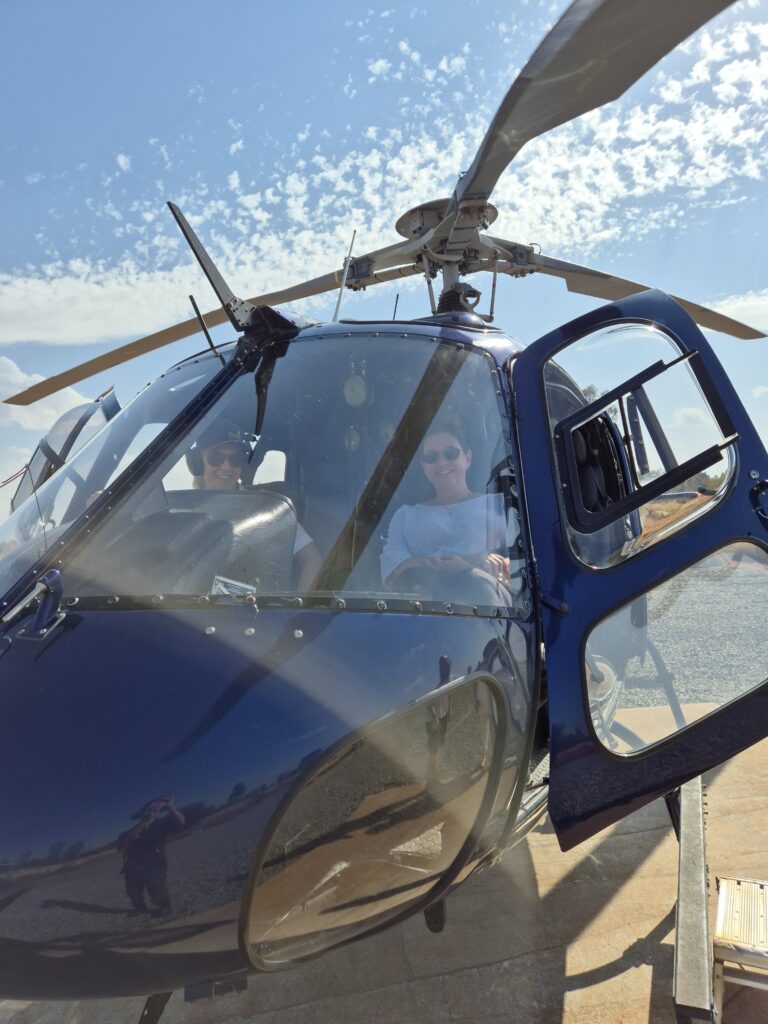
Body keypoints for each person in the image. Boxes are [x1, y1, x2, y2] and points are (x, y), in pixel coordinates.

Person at [380, 423, 511, 603]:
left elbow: (519, 570)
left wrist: (465, 567)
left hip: (491, 621)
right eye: (431, 457)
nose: (441, 462)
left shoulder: (499, 506)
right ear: (424, 467)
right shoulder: (405, 516)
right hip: (423, 617)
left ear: (467, 458)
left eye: (451, 453)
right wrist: (470, 562)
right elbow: (392, 569)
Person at [186, 419, 321, 591]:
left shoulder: (266, 509)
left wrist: (294, 612)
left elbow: (312, 559)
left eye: (235, 459)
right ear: (197, 463)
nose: (226, 467)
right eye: (215, 458)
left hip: (251, 614)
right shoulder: (182, 510)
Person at [118, 795, 185, 915]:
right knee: (133, 891)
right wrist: (144, 823)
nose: (150, 812)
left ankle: (164, 906)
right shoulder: (133, 829)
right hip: (133, 866)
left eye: (153, 810)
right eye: (147, 810)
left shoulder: (161, 823)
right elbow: (130, 838)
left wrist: (170, 807)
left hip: (155, 863)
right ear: (141, 814)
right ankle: (139, 908)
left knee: (157, 887)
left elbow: (181, 822)